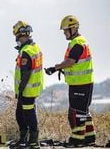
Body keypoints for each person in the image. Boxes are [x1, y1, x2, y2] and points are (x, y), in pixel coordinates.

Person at [45, 15, 96, 147]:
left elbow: (70, 62)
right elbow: (73, 63)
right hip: (82, 82)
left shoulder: (78, 43)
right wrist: (56, 69)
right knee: (83, 111)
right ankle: (89, 138)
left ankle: (77, 140)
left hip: (80, 84)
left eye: (65, 30)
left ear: (73, 29)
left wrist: (56, 67)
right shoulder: (79, 41)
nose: (64, 33)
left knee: (75, 113)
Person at [12, 21, 43, 149]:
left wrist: (20, 90)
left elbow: (26, 73)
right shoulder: (34, 47)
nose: (15, 39)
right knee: (20, 114)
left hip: (27, 90)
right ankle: (24, 139)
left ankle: (34, 141)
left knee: (28, 114)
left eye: (16, 36)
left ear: (20, 35)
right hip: (32, 88)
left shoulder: (26, 51)